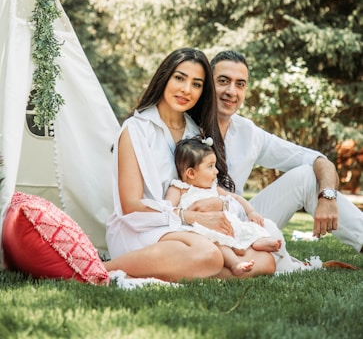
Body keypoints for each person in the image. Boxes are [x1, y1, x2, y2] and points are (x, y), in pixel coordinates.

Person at [104, 47, 277, 281]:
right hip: (142, 230)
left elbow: (213, 189)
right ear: (164, 77)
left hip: (193, 232)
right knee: (209, 254)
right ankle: (102, 269)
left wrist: (215, 205)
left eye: (197, 84)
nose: (187, 90)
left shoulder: (197, 133)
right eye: (180, 78)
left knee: (265, 262)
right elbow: (130, 206)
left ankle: (187, 268)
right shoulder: (136, 129)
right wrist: (187, 216)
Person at [201, 50, 363, 254]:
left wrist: (327, 196)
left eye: (240, 84)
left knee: (305, 176)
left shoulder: (248, 132)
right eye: (223, 81)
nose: (231, 91)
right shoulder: (185, 128)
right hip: (198, 230)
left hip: (243, 223)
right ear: (208, 84)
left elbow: (318, 160)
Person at [165, 136, 282, 277]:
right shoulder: (179, 188)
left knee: (247, 227)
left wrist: (251, 212)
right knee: (218, 242)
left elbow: (236, 198)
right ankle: (235, 263)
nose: (216, 171)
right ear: (191, 173)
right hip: (205, 229)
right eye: (210, 167)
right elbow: (167, 211)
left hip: (229, 224)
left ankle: (258, 241)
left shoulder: (213, 188)